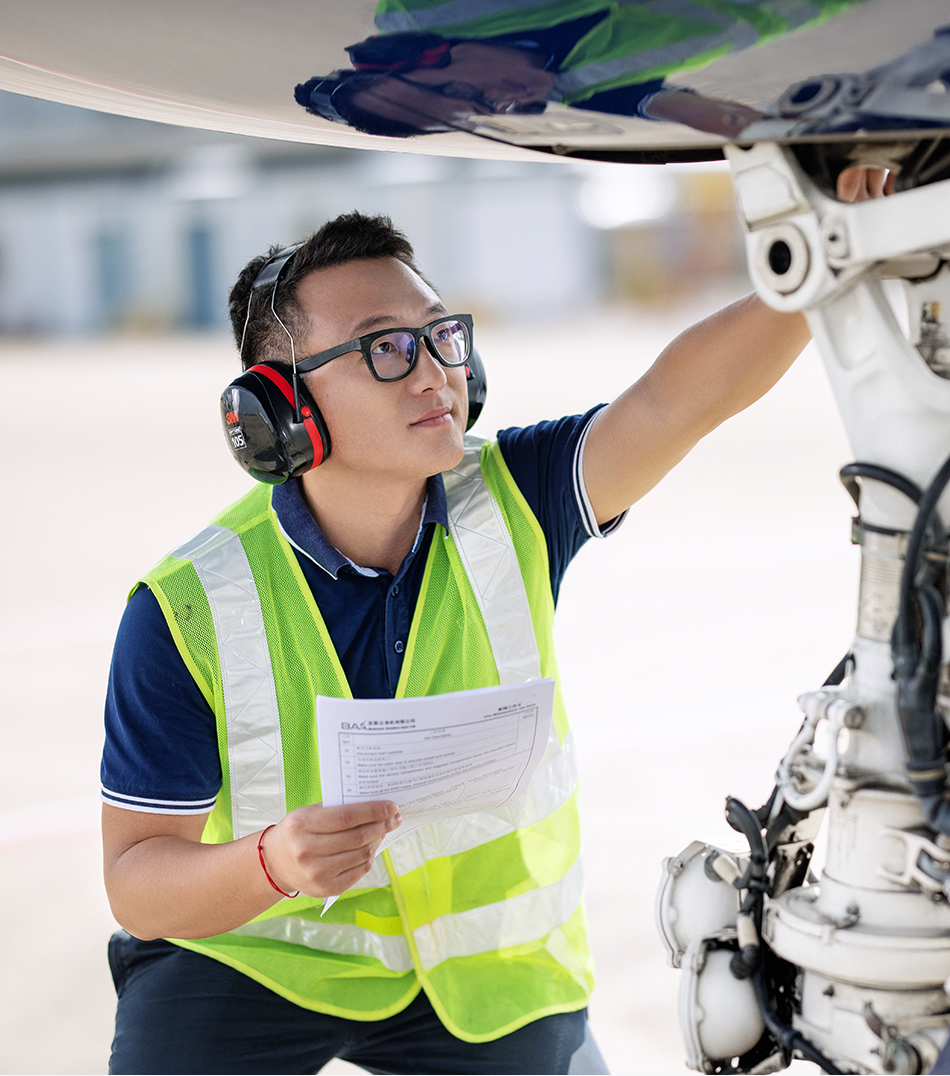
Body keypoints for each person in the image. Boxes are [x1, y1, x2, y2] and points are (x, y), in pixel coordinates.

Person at [101, 208, 813, 1075]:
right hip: (254, 958)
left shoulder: (522, 496)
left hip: (488, 979)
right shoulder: (188, 608)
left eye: (441, 337)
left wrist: (820, 268)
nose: (436, 373)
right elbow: (138, 886)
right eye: (385, 348)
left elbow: (677, 399)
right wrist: (274, 862)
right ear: (280, 408)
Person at [294, 1, 862, 139]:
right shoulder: (588, 90)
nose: (503, 100)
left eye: (468, 91)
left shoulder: (438, 10)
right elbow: (735, 123)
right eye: (483, 112)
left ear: (430, 54)